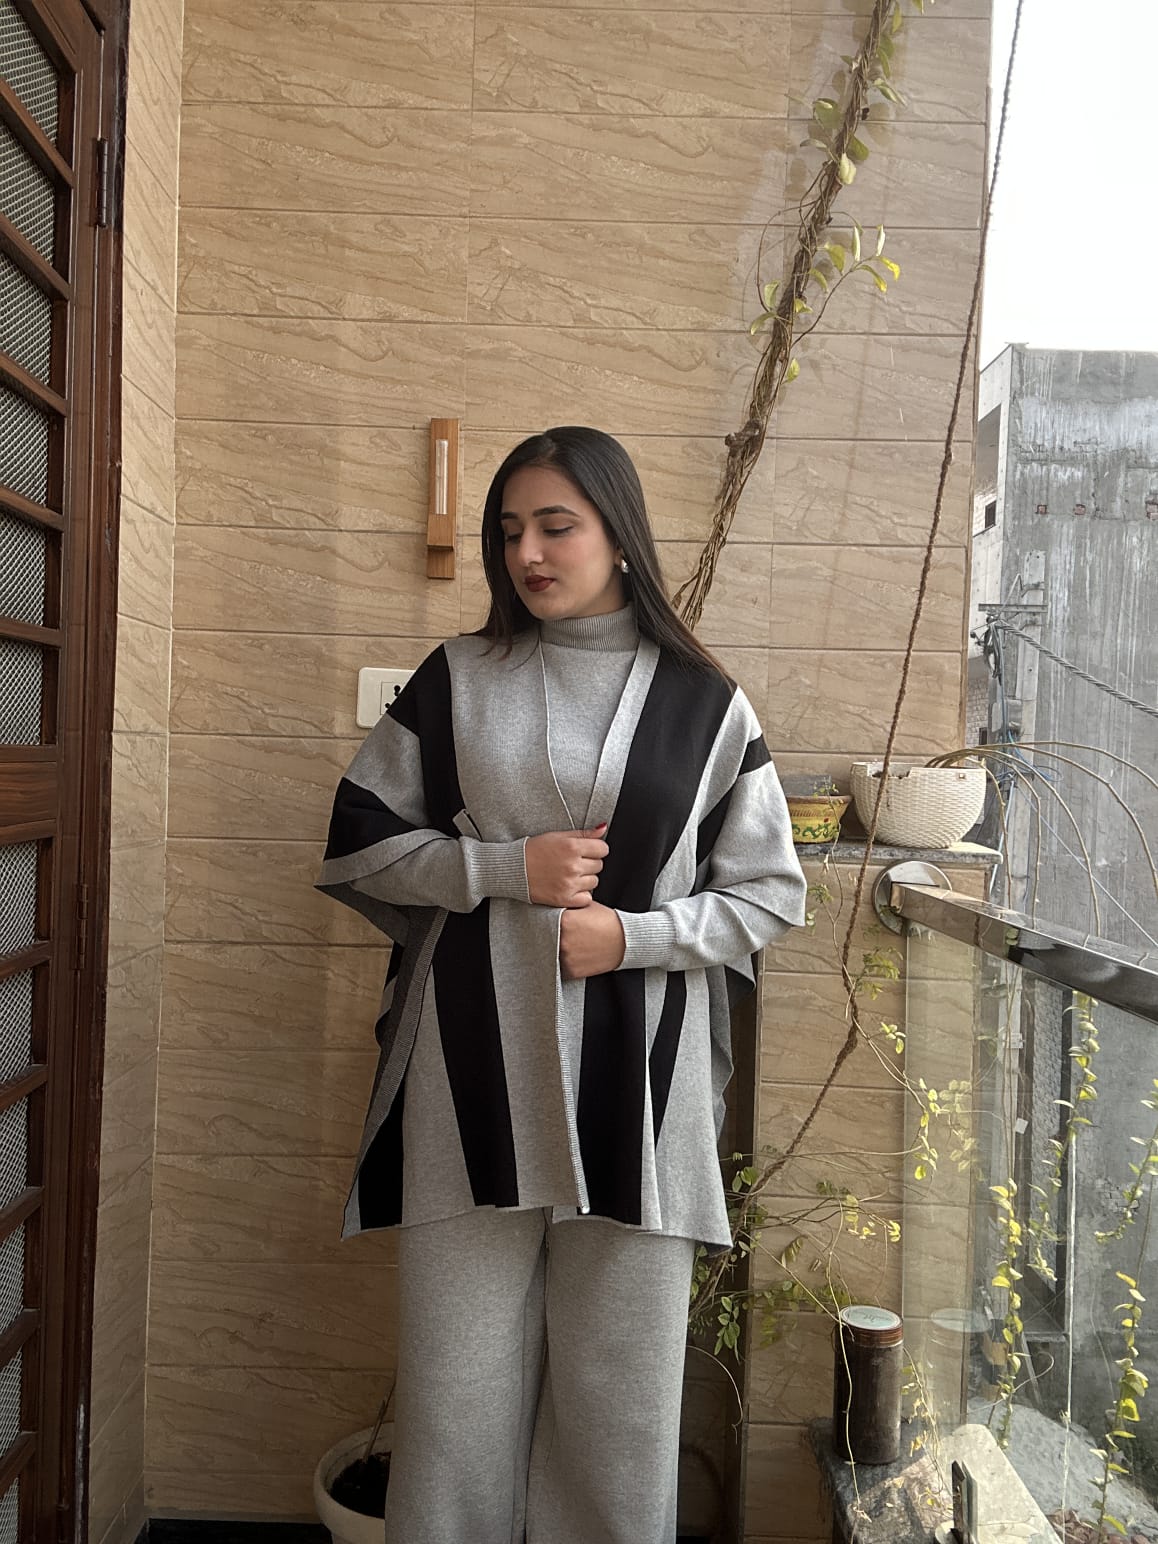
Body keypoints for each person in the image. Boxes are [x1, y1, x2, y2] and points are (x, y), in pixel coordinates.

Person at [316, 426, 806, 1544]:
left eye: (555, 526)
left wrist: (632, 936)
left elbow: (771, 894)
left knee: (620, 1411)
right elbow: (359, 844)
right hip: (466, 1092)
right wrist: (503, 869)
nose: (527, 553)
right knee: (454, 1397)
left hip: (642, 1099)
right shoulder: (456, 680)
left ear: (619, 537)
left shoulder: (706, 705)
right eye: (509, 532)